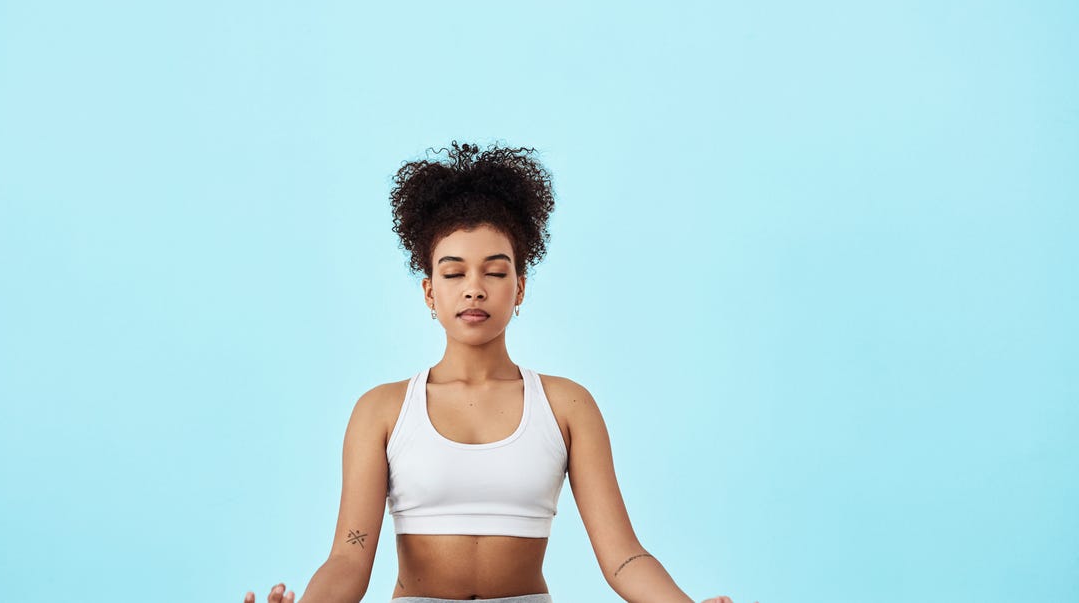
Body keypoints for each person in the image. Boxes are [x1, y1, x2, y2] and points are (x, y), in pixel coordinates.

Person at [244, 142, 755, 603]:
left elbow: (623, 556)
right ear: (429, 292)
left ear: (520, 287)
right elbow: (348, 560)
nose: (474, 288)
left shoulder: (567, 405)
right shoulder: (380, 410)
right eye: (453, 273)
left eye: (494, 271)